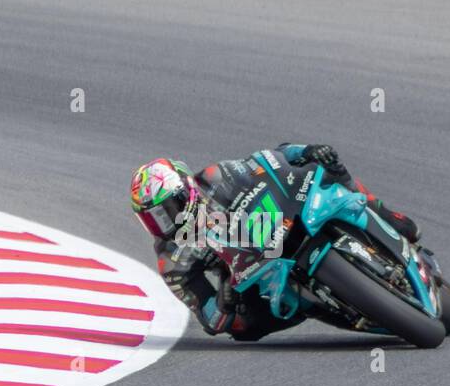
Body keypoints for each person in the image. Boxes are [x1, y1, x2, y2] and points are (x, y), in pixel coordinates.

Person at [130, 144, 420, 340]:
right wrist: (223, 302)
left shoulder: (215, 177)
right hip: (248, 282)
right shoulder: (171, 262)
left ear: (186, 188)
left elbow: (267, 160)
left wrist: (305, 152)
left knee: (331, 170)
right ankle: (317, 303)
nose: (167, 223)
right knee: (244, 330)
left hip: (277, 223)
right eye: (154, 219)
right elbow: (209, 318)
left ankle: (387, 215)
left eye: (167, 211)